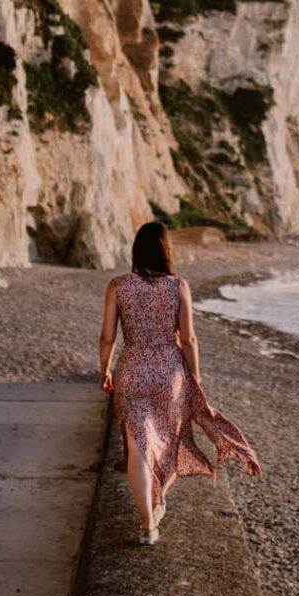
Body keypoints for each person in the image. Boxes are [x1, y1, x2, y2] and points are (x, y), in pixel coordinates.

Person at [97, 220, 261, 545]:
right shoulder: (178, 286)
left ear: (136, 251)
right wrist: (194, 377)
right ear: (165, 250)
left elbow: (107, 337)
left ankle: (147, 525)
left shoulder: (117, 286)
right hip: (169, 374)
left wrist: (104, 370)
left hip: (131, 370)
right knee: (166, 441)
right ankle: (157, 501)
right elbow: (189, 339)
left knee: (138, 446)